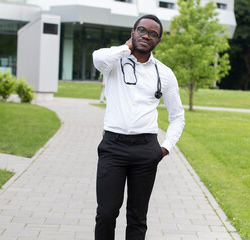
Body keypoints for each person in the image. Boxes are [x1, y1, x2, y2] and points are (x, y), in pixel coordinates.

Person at [92, 14, 185, 240]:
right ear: (132, 32)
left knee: (137, 218)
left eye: (153, 34)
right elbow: (98, 58)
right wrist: (126, 48)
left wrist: (164, 148)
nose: (147, 36)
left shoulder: (164, 73)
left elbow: (177, 116)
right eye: (142, 30)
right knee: (106, 213)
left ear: (158, 41)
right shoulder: (114, 63)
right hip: (113, 147)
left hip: (146, 149)